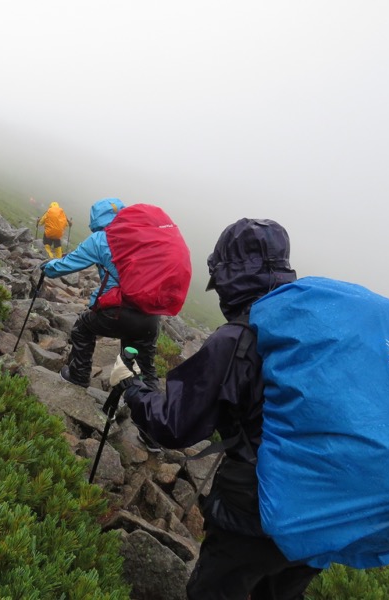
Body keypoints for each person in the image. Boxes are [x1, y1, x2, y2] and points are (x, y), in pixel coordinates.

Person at [111, 218, 322, 600]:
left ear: (228, 274)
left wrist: (131, 387)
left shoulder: (239, 335)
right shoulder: (314, 325)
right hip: (324, 513)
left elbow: (173, 426)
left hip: (257, 510)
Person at [40, 197, 162, 393]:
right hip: (151, 314)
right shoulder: (145, 238)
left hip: (119, 310)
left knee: (83, 329)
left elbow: (68, 264)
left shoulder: (102, 239)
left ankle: (78, 377)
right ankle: (152, 411)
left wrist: (48, 268)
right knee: (144, 364)